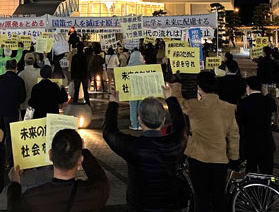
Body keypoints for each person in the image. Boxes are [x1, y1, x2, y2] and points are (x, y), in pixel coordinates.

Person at [103, 84, 187, 212]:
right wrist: (170, 98)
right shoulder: (174, 144)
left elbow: (109, 132)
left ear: (140, 120)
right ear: (163, 120)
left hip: (139, 205)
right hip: (170, 205)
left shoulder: (133, 146)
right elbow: (181, 126)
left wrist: (113, 104)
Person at [172, 71, 240, 212]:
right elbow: (234, 135)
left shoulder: (193, 105)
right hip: (220, 159)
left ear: (199, 88)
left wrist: (176, 83)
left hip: (198, 158)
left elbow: (177, 101)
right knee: (218, 197)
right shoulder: (228, 107)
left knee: (201, 197)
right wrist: (234, 158)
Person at [8, 129, 109, 211]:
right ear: (80, 160)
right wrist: (82, 150)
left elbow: (13, 207)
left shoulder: (32, 198)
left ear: (50, 155)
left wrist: (15, 183)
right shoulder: (95, 193)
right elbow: (99, 177)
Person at [236, 76, 276, 174]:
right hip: (267, 141)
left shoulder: (243, 102)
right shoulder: (268, 101)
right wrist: (266, 94)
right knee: (267, 171)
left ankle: (251, 189)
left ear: (248, 87)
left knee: (251, 171)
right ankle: (267, 188)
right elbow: (274, 112)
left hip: (250, 142)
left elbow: (239, 123)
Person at [0, 58, 26, 165]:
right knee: (10, 137)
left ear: (5, 68)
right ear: (16, 68)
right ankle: (10, 161)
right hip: (12, 111)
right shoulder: (19, 81)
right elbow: (22, 97)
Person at [18, 53, 40, 117]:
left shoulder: (21, 74)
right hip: (37, 104)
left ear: (24, 61)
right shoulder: (39, 72)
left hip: (24, 105)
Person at [127, 49, 144, 130]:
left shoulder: (128, 67)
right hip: (142, 89)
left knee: (133, 107)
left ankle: (134, 125)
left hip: (132, 89)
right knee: (141, 106)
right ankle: (141, 124)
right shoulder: (144, 66)